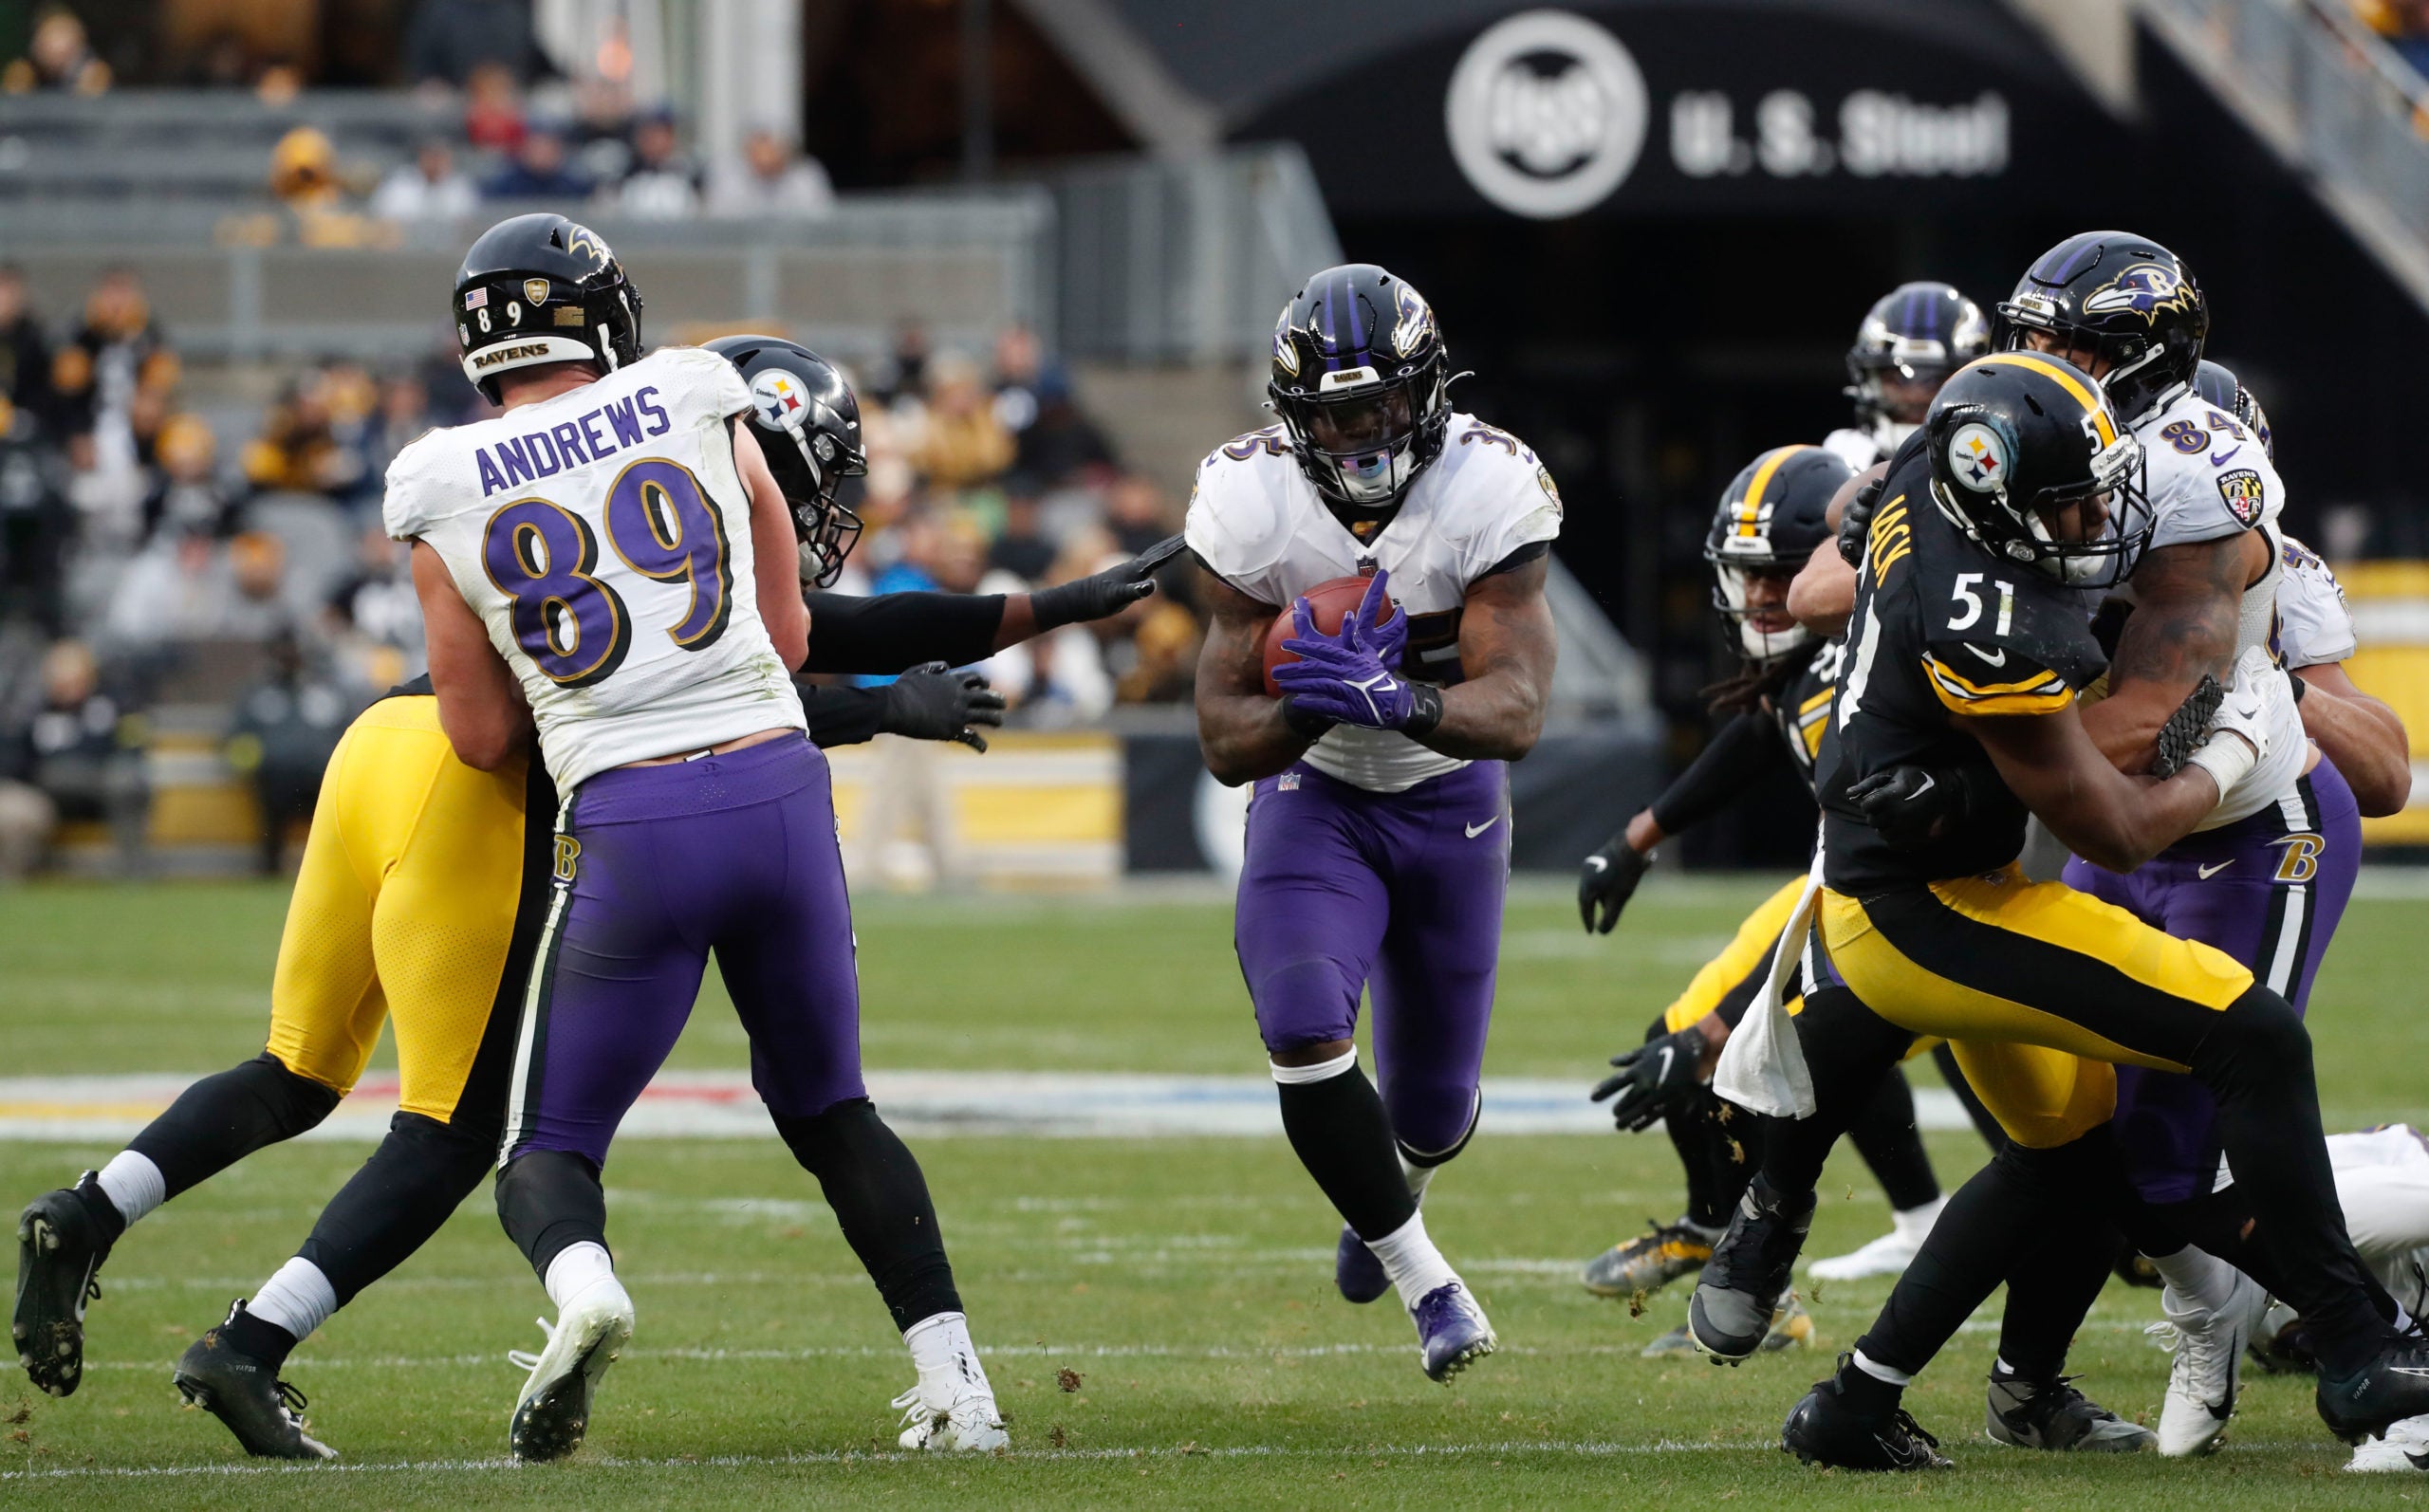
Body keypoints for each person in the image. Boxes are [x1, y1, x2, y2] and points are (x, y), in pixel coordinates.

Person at [10, 302, 1174, 1459]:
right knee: (459, 1129)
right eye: (804, 478)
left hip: (381, 744)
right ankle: (250, 1346)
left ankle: (88, 1210)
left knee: (298, 1070)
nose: (824, 507)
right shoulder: (684, 459)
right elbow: (714, 683)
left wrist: (1056, 605)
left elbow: (830, 628)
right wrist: (881, 708)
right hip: (483, 789)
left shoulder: (524, 473)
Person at [1689, 352, 2429, 1466]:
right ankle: (2359, 1346)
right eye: (2064, 502)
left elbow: (1857, 543)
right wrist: (2226, 748)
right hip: (1934, 909)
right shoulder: (1990, 618)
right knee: (2252, 1040)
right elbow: (2118, 829)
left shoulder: (1918, 489)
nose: (2090, 520)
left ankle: (1853, 1397)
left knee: (2078, 1155)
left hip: (1901, 887)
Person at [1188, 264, 1561, 1382]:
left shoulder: (1489, 490)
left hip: (1446, 797)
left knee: (1434, 1115)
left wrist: (1397, 697)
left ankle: (1387, 1189)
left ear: (1430, 394)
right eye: (1333, 413)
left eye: (1380, 406)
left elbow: (1519, 710)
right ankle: (1427, 1281)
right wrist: (1311, 701)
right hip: (1320, 797)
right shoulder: (1248, 502)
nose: (1358, 433)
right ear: (1290, 417)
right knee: (1301, 1021)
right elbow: (1218, 736)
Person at [1575, 444, 1965, 1349]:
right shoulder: (1815, 665)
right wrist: (1638, 838)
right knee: (1725, 1052)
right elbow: (1760, 731)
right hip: (1877, 892)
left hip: (1931, 908)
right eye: (1741, 578)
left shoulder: (1852, 672)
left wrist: (1717, 1033)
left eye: (1774, 578)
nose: (1756, 600)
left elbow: (1866, 868)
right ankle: (1734, 1257)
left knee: (2085, 1164)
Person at [1823, 282, 1990, 472]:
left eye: (1934, 381)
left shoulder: (1995, 461)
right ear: (1870, 382)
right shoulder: (1845, 457)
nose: (1915, 396)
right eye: (1897, 379)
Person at [705, 128, 836, 219]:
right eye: (758, 150)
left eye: (773, 149)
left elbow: (820, 218)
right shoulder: (730, 178)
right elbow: (721, 220)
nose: (765, 158)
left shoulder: (806, 177)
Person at [371, 139, 481, 223]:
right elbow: (383, 218)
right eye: (431, 157)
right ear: (421, 158)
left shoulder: (460, 188)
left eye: (440, 157)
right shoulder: (398, 185)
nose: (435, 163)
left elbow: (468, 221)